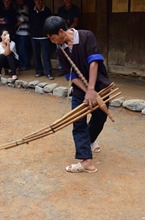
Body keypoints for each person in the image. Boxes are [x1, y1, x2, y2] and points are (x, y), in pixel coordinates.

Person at [44, 16, 112, 173]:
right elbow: (71, 76)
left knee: (100, 117)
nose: (53, 41)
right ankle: (86, 160)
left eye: (53, 38)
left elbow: (94, 62)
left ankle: (90, 140)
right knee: (78, 121)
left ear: (61, 32)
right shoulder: (60, 50)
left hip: (99, 85)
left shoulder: (86, 36)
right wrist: (86, 90)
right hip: (80, 89)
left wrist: (92, 90)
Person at [56, 0, 81, 76]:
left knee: (73, 51)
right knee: (60, 50)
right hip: (61, 34)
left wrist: (68, 31)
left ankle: (73, 68)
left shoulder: (75, 9)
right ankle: (62, 68)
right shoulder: (60, 10)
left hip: (71, 34)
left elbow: (76, 21)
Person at [30, 0, 53, 80]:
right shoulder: (31, 11)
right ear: (34, 1)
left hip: (44, 37)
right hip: (34, 36)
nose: (38, 2)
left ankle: (48, 73)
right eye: (36, 0)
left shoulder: (47, 11)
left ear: (42, 1)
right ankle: (39, 72)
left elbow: (49, 23)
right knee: (36, 55)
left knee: (46, 55)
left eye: (40, 0)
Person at [14, 0, 30, 71]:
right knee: (19, 49)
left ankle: (25, 64)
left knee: (22, 49)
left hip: (24, 32)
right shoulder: (17, 8)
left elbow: (22, 19)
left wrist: (14, 26)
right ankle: (21, 64)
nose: (17, 1)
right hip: (18, 32)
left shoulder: (25, 7)